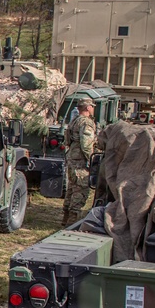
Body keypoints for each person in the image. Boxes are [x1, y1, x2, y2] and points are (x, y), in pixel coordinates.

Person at [62, 97, 98, 227]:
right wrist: (92, 160)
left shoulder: (74, 121)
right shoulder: (86, 123)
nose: (93, 109)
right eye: (92, 107)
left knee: (71, 188)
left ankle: (65, 218)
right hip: (80, 161)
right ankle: (73, 221)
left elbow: (67, 141)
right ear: (88, 108)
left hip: (72, 157)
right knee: (81, 189)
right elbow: (86, 145)